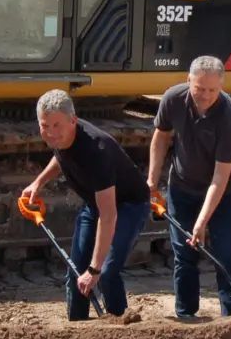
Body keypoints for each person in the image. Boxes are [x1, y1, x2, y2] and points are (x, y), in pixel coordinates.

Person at [22, 89, 150, 321]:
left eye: (56, 126)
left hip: (129, 205)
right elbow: (61, 155)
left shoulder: (95, 151)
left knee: (106, 271)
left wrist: (94, 270)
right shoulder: (61, 137)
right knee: (76, 271)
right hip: (96, 204)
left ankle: (120, 324)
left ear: (73, 120)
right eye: (44, 126)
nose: (50, 134)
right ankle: (77, 326)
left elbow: (109, 216)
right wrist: (38, 182)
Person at [147, 56, 231, 320]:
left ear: (221, 86)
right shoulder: (173, 99)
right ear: (188, 81)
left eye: (212, 90)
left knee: (226, 256)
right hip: (182, 188)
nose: (205, 95)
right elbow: (161, 137)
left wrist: (202, 222)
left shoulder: (229, 117)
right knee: (184, 256)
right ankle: (186, 316)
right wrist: (152, 181)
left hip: (223, 194)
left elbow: (220, 176)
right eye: (199, 88)